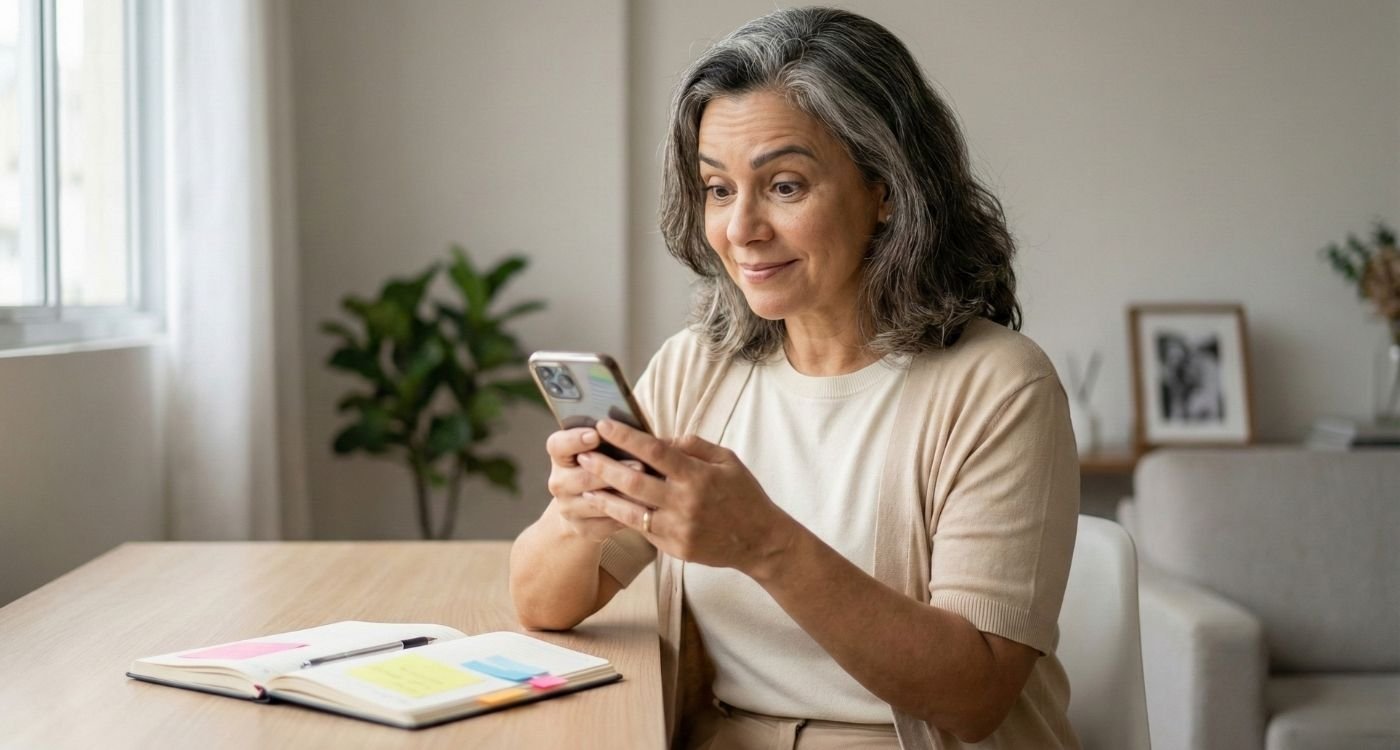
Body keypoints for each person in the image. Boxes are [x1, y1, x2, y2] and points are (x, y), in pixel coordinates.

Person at [510, 8, 1080, 749]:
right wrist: (577, 520)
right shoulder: (697, 368)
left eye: (783, 185)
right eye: (718, 188)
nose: (741, 229)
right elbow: (541, 602)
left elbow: (973, 698)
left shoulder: (999, 388)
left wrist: (765, 544)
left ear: (886, 190)